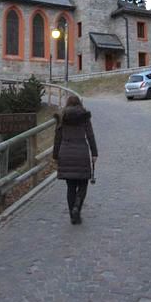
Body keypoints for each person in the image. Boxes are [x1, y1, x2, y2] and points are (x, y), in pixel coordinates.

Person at [52, 95, 98, 224]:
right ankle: (77, 206)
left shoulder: (62, 117)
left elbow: (57, 138)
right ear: (79, 104)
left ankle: (73, 216)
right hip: (81, 152)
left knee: (71, 186)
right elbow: (90, 135)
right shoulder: (84, 116)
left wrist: (55, 155)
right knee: (83, 183)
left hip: (66, 153)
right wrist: (94, 153)